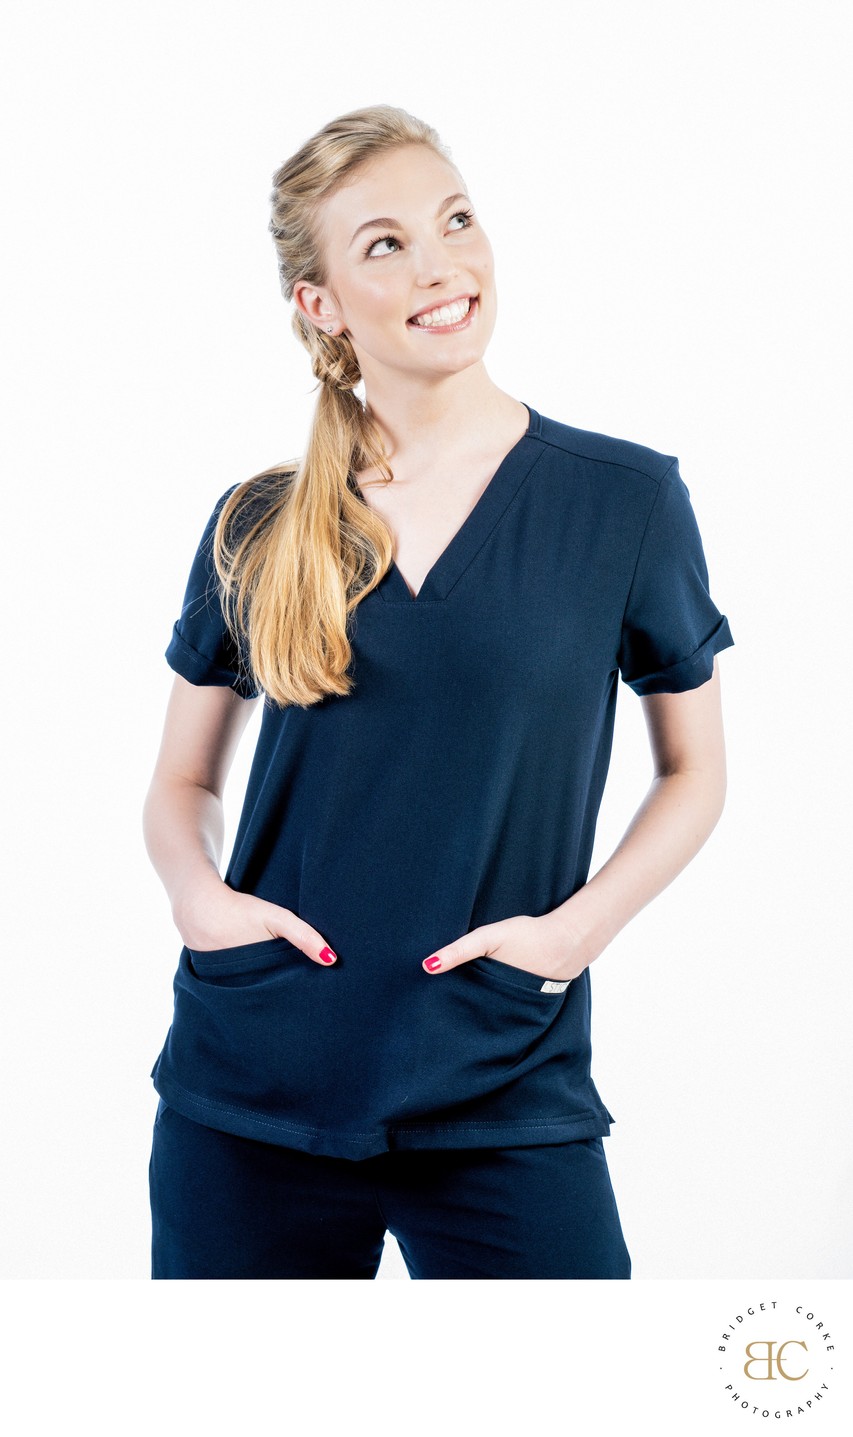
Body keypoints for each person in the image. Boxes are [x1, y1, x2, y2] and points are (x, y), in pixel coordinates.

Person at [143, 103, 735, 1280]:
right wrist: (199, 900)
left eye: (455, 220)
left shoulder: (623, 502)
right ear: (318, 305)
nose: (441, 263)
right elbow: (182, 778)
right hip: (253, 1081)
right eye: (384, 244)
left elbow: (695, 771)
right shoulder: (258, 523)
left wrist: (573, 935)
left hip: (503, 1076)